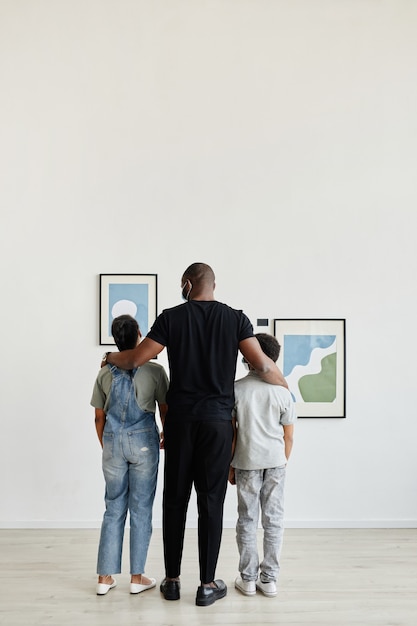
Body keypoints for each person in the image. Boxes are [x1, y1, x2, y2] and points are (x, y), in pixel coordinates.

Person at [102, 263, 287, 607]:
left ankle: (171, 581)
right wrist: (283, 384)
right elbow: (261, 364)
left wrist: (109, 355)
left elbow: (137, 359)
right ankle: (206, 585)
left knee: (174, 500)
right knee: (211, 502)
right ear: (212, 285)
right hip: (217, 424)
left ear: (188, 284)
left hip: (181, 423)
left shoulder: (171, 318)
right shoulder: (236, 319)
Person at [91, 314, 168, 596]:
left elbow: (98, 418)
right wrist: (165, 434)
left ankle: (104, 577)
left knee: (113, 507)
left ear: (114, 339)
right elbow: (164, 410)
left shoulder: (103, 372)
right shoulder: (156, 372)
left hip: (113, 442)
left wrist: (108, 445)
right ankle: (137, 577)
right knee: (141, 508)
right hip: (144, 443)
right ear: (139, 335)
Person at [229, 333, 296, 598]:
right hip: (275, 462)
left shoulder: (235, 389)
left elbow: (232, 433)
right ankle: (269, 580)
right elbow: (288, 436)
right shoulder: (283, 392)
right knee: (274, 521)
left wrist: (230, 465)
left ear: (248, 357)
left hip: (246, 461)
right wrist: (282, 462)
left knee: (246, 519)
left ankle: (247, 579)